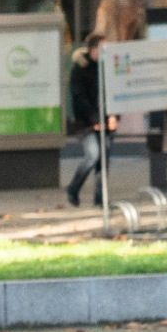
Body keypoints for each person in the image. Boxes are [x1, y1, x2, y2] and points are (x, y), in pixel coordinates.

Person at [65, 35, 105, 207]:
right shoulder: (80, 69)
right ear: (92, 49)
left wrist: (112, 118)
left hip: (106, 121)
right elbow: (79, 98)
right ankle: (74, 187)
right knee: (93, 154)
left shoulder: (106, 67)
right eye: (101, 48)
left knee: (104, 160)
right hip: (86, 122)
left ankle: (100, 197)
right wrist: (94, 119)